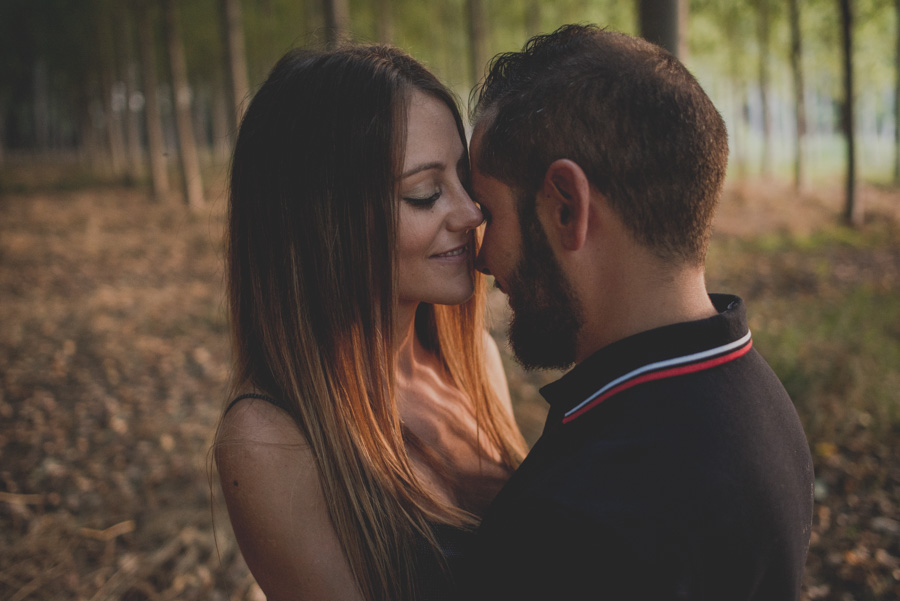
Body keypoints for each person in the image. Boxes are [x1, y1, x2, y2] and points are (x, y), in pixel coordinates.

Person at [463, 25, 814, 600]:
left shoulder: (580, 516)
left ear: (566, 206)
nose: (482, 257)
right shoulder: (755, 396)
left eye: (490, 212)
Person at [214, 45, 527, 601]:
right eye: (424, 194)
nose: (471, 213)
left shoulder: (473, 359)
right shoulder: (272, 439)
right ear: (323, 222)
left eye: (463, 180)